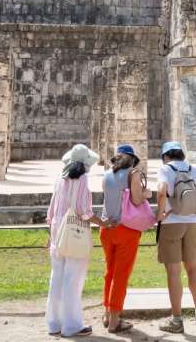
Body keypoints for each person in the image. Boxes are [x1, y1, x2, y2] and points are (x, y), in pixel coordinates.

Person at [46, 143, 110, 337]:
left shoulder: (59, 179)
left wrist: (51, 234)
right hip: (74, 236)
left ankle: (54, 323)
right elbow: (82, 210)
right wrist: (101, 222)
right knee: (72, 281)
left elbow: (51, 211)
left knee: (56, 280)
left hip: (58, 234)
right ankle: (71, 325)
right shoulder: (81, 180)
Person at [155, 141, 196, 334]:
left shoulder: (165, 169)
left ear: (166, 156)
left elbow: (160, 191)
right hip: (191, 223)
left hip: (171, 224)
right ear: (181, 155)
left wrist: (159, 215)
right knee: (192, 268)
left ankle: (176, 320)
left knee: (173, 272)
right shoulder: (192, 169)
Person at [100, 144, 151, 334]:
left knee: (110, 273)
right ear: (132, 160)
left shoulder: (106, 175)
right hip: (126, 229)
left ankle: (107, 315)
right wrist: (147, 193)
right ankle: (114, 322)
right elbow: (137, 200)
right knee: (120, 276)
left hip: (107, 229)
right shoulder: (133, 174)